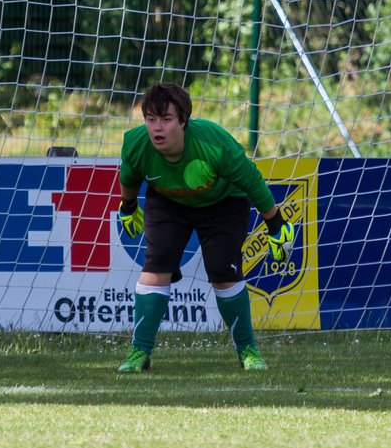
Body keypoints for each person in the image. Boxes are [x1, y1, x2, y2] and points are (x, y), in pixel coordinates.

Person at [115, 82, 295, 372]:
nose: (157, 128)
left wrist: (276, 224)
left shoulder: (214, 143)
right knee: (155, 265)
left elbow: (252, 181)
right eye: (151, 119)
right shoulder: (136, 143)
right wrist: (128, 206)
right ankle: (139, 354)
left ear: (183, 120)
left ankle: (248, 351)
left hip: (223, 202)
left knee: (223, 271)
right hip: (168, 201)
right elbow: (129, 174)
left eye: (166, 119)